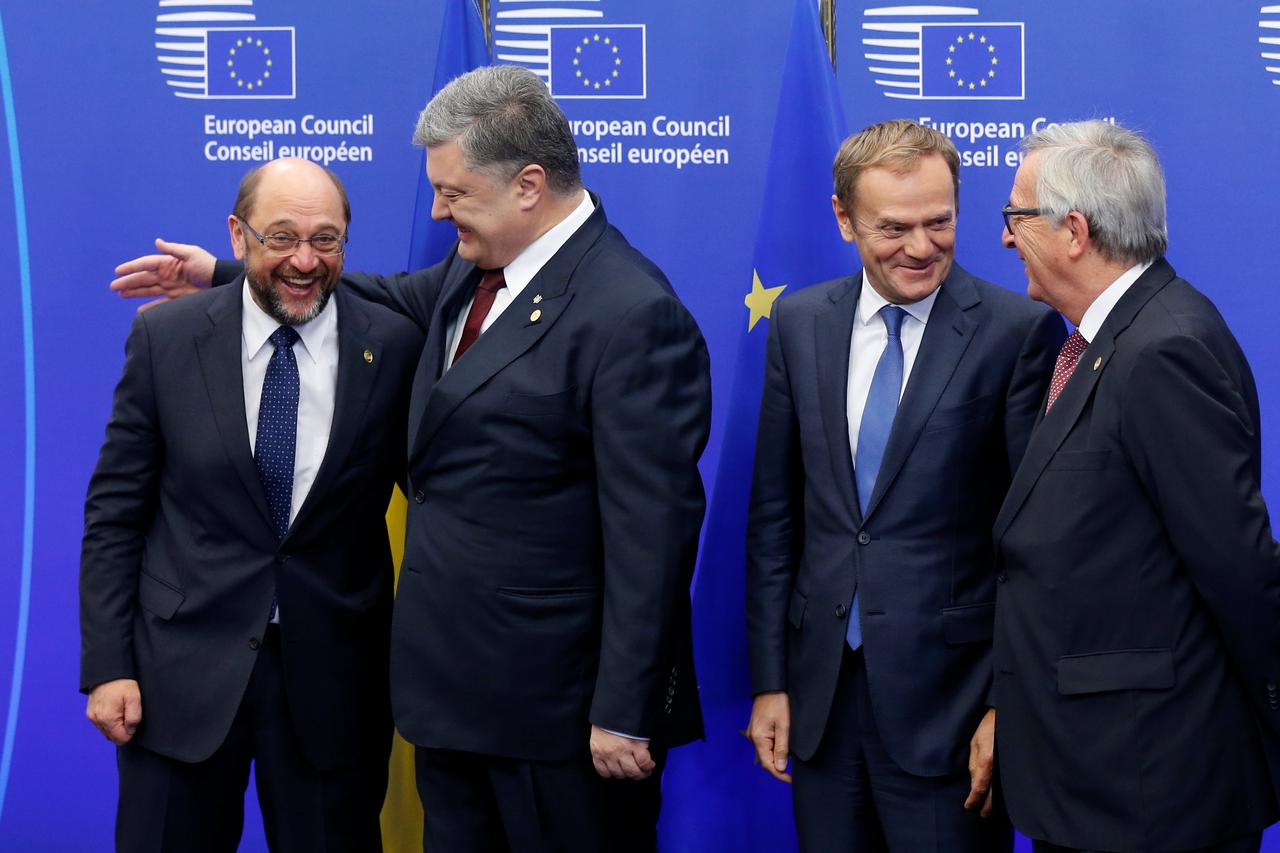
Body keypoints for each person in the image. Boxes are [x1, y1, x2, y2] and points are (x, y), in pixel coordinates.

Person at [109, 64, 711, 852]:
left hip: (560, 722)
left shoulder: (632, 313)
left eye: (453, 193)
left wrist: (625, 708)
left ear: (529, 184)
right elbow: (379, 296)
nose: (437, 210)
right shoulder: (477, 268)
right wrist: (232, 273)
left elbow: (653, 536)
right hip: (453, 706)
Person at [80, 158, 424, 852]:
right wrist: (108, 664)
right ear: (238, 236)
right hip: (177, 678)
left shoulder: (391, 346)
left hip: (334, 681)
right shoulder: (167, 338)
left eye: (326, 240)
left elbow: (434, 496)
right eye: (282, 237)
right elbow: (115, 514)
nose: (305, 259)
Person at [744, 119, 1065, 852]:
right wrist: (772, 679)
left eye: (940, 222)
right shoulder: (799, 323)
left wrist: (1003, 701)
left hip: (950, 709)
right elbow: (774, 516)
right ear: (843, 218)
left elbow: (1034, 542)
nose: (921, 248)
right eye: (894, 227)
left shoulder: (1016, 333)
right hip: (821, 703)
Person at [994, 119, 1280, 852]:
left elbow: (1237, 566)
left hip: (1153, 785)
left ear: (1073, 231)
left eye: (1015, 216)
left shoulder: (1164, 349)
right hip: (1099, 774)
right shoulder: (1103, 341)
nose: (1003, 238)